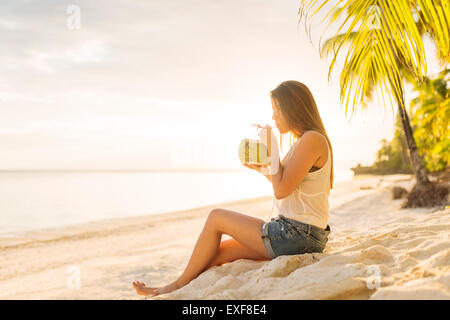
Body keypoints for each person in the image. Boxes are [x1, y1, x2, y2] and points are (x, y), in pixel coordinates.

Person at [132, 80, 334, 297]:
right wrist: (262, 170)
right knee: (216, 254)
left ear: (293, 108)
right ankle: (172, 286)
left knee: (216, 217)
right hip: (300, 236)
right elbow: (286, 185)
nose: (274, 117)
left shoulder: (311, 139)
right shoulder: (305, 141)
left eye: (277, 109)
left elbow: (281, 190)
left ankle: (174, 287)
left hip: (296, 235)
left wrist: (272, 148)